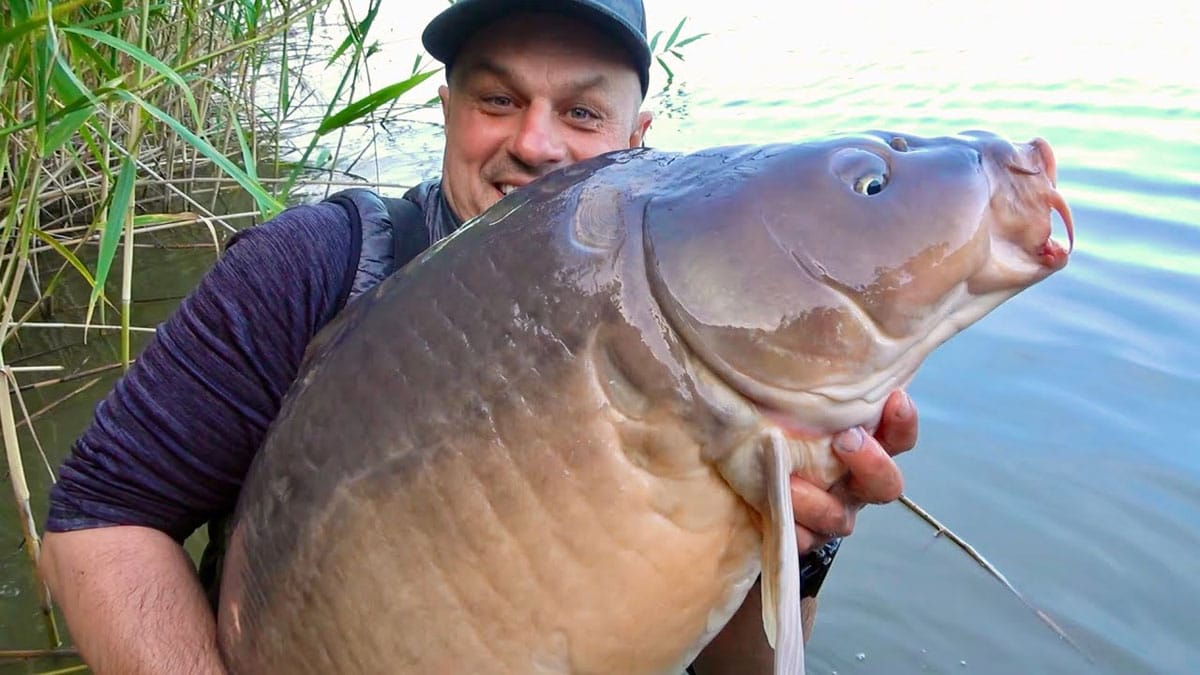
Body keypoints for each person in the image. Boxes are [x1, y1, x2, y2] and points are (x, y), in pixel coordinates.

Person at [38, 1, 917, 673]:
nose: (533, 143)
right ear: (448, 108)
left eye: (582, 114)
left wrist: (792, 541)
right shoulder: (310, 268)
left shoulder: (724, 331)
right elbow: (98, 519)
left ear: (641, 142)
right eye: (498, 98)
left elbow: (739, 669)